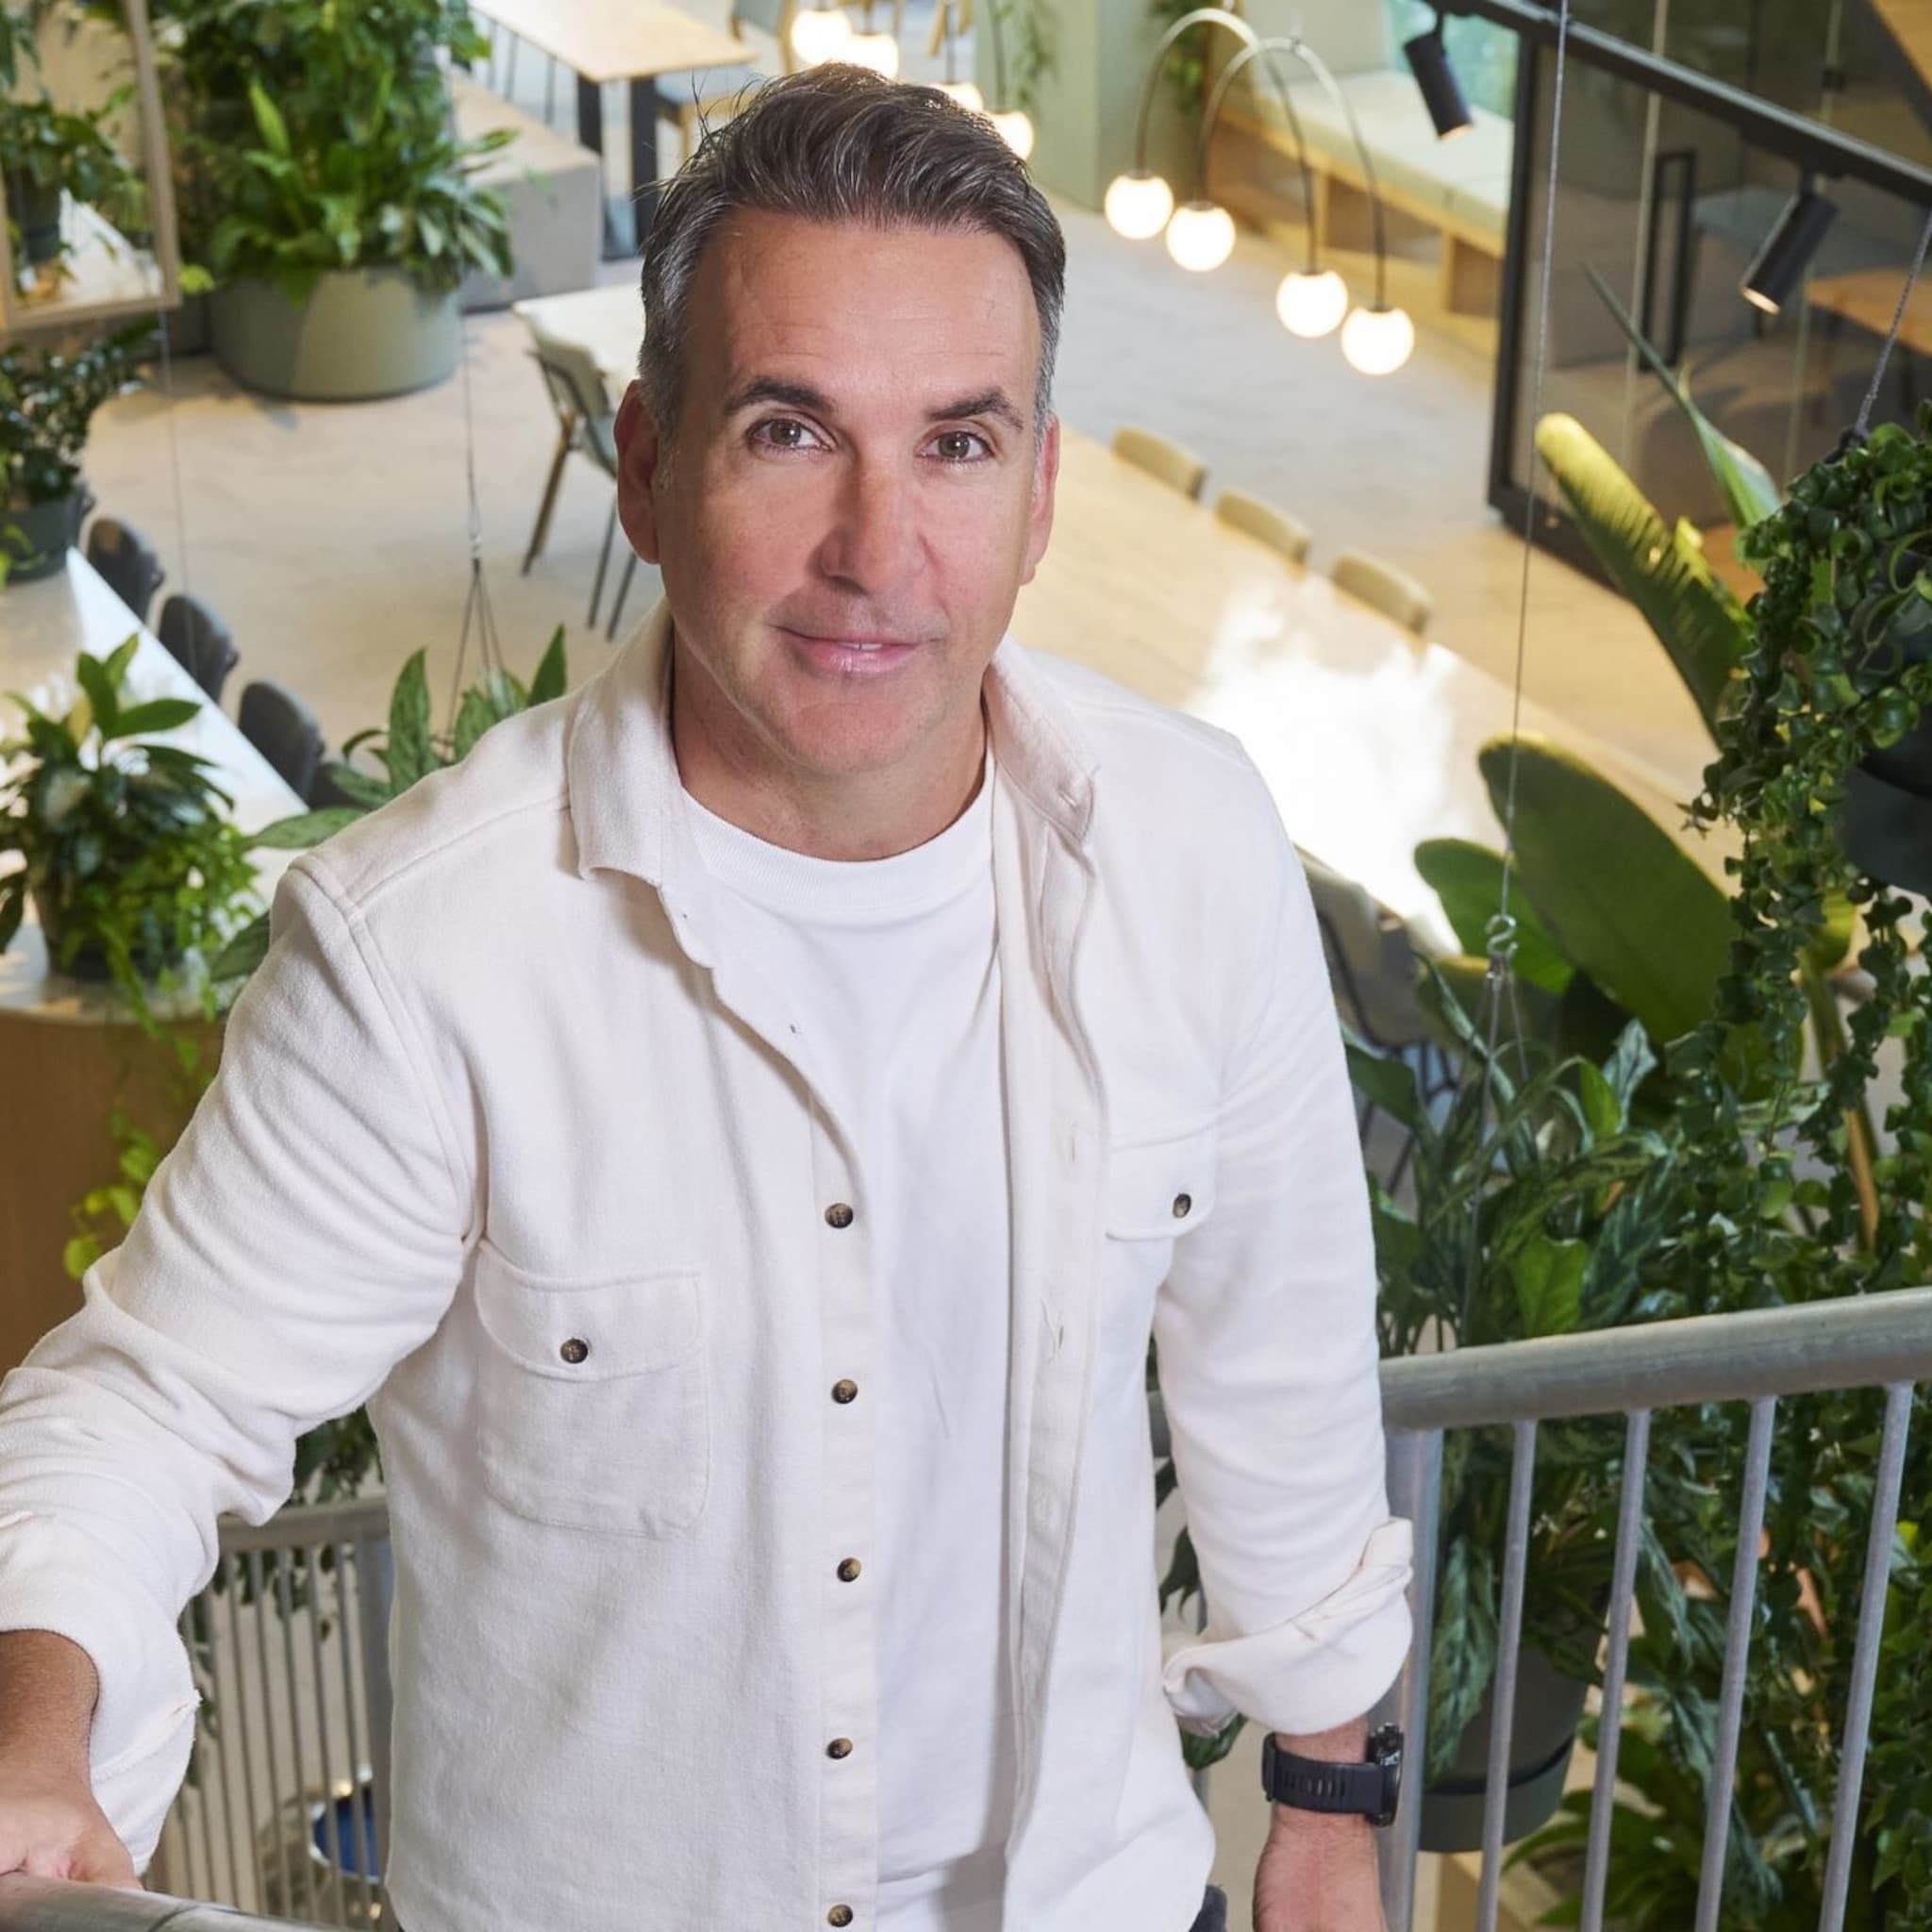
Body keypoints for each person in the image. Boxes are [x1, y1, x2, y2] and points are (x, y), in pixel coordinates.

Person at [0, 65, 1412, 1932]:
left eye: (958, 443)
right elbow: (145, 1409)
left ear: (1042, 492)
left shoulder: (1190, 844)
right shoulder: (428, 953)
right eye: (789, 431)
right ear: (648, 466)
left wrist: (1326, 1805)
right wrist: (33, 1733)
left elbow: (1279, 1370)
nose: (876, 553)